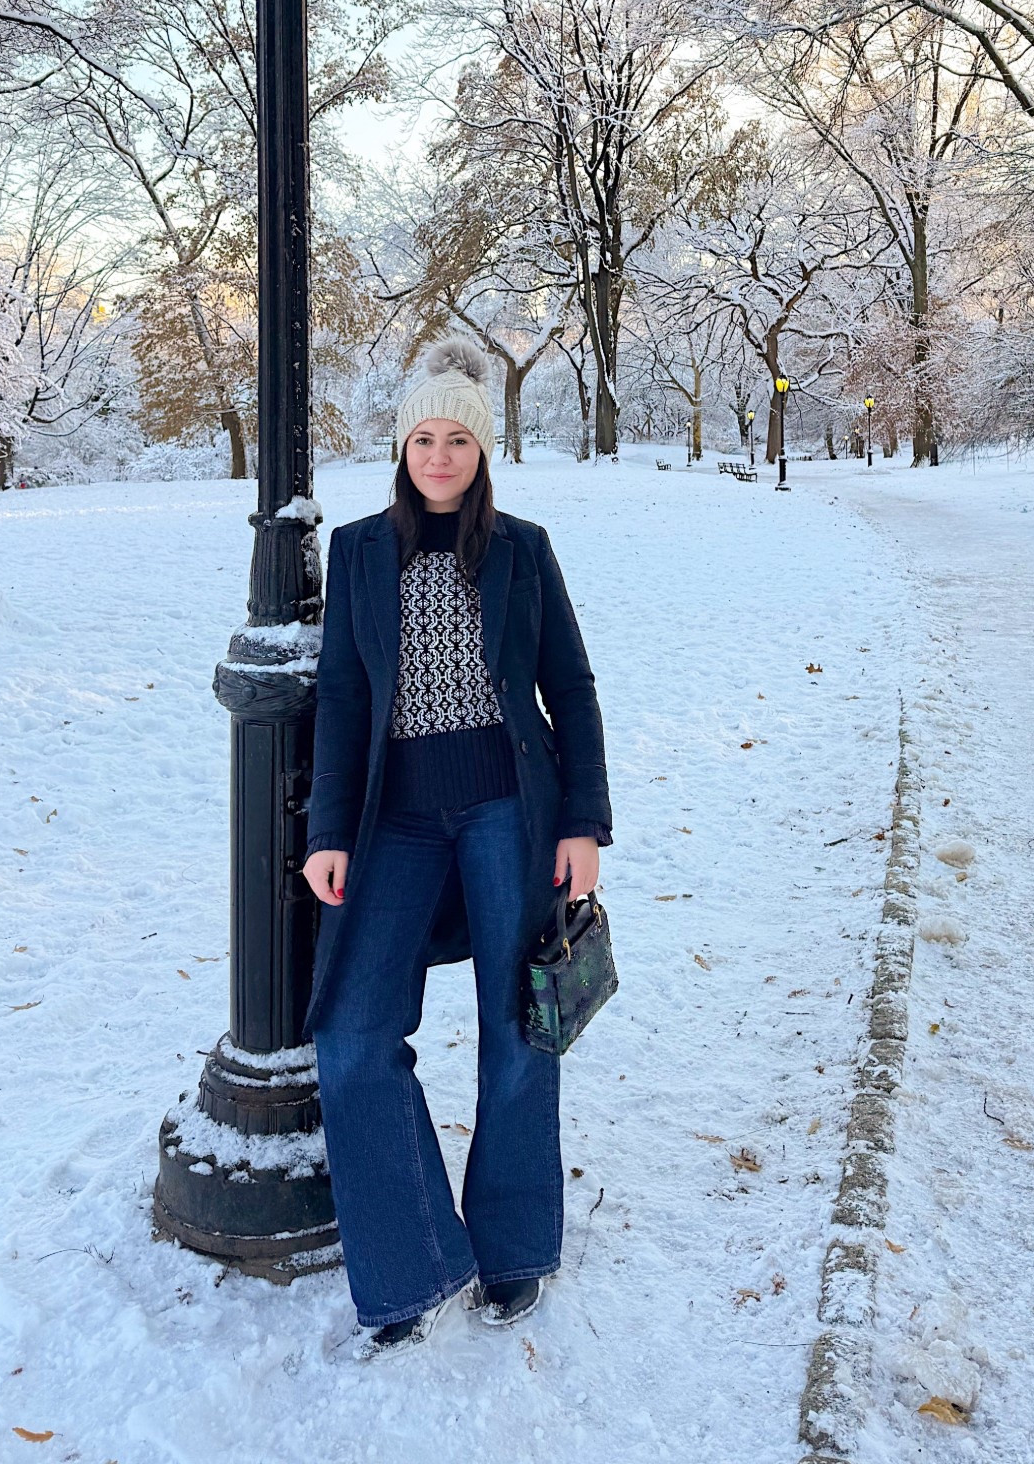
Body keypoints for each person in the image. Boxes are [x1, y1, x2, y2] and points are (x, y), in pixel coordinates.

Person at [301, 339, 612, 1360]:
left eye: (459, 438)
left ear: (484, 449)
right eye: (424, 436)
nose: (440, 453)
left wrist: (583, 822)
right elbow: (343, 700)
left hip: (506, 811)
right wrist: (329, 832)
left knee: (519, 1026)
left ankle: (516, 1241)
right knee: (350, 1037)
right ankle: (411, 1254)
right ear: (403, 447)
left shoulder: (522, 547)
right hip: (393, 820)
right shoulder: (356, 551)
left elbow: (569, 687)